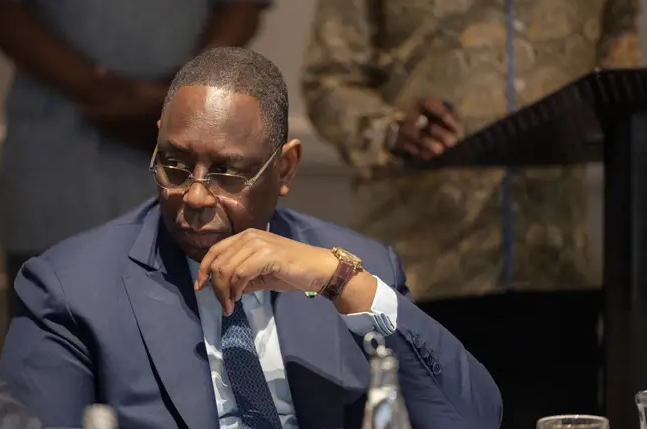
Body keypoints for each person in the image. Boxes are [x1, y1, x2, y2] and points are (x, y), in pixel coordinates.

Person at [0, 47, 502, 429]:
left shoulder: (356, 267)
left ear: (285, 169)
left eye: (226, 173)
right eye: (174, 164)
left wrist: (340, 281)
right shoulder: (71, 288)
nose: (196, 195)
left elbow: (474, 418)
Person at [300, 1, 640, 427]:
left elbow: (622, 58)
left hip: (557, 264)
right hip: (423, 274)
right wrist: (389, 128)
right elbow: (328, 78)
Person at [0, 0, 270, 339]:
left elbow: (243, 6)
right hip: (54, 164)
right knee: (47, 347)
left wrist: (183, 96)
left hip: (193, 163)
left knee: (185, 346)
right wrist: (100, 90)